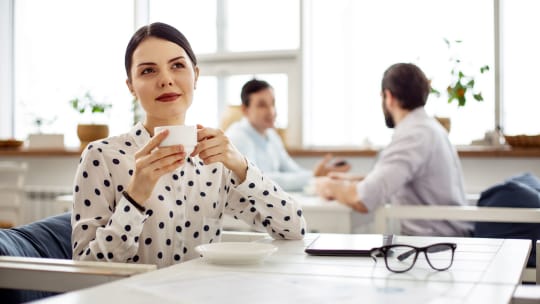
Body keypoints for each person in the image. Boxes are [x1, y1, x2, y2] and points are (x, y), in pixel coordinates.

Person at [71, 22, 306, 268]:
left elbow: (293, 229)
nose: (166, 79)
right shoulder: (101, 157)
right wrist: (135, 196)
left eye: (177, 66)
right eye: (148, 71)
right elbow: (86, 267)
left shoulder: (215, 165)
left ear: (196, 76)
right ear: (130, 85)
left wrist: (242, 166)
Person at [315, 63, 471, 237]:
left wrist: (328, 186)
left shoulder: (413, 135)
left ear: (388, 96)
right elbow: (403, 179)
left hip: (433, 246)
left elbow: (364, 199)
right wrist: (351, 179)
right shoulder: (429, 128)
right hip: (444, 238)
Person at [226, 79, 351, 192]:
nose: (271, 111)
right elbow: (259, 179)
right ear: (245, 110)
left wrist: (319, 173)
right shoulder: (237, 137)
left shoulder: (271, 135)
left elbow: (290, 168)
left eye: (273, 103)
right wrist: (312, 176)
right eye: (262, 105)